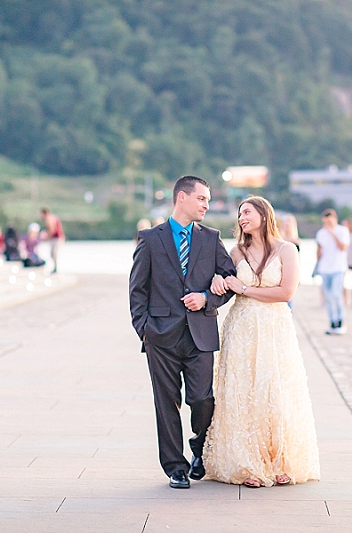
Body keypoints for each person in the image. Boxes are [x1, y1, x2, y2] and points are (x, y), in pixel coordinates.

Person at [204, 196, 321, 488]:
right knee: (243, 392)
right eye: (240, 214)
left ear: (263, 214)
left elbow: (285, 293)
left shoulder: (287, 250)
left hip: (274, 327)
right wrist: (218, 282)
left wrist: (245, 287)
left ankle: (281, 461)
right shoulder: (236, 252)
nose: (242, 218)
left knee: (275, 391)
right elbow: (220, 280)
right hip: (241, 327)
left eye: (247, 212)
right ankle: (248, 465)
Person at [128, 175, 236, 490]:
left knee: (203, 399)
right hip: (160, 335)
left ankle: (199, 449)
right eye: (202, 198)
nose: (207, 204)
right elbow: (137, 290)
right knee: (166, 401)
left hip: (200, 332)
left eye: (208, 199)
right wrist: (145, 331)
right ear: (182, 198)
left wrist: (208, 298)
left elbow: (229, 278)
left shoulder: (211, 237)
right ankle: (175, 467)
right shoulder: (149, 238)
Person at [315, 208, 349, 334]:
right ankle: (332, 322)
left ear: (334, 219)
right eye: (325, 221)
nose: (327, 224)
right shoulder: (321, 233)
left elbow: (343, 247)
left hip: (338, 268)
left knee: (336, 294)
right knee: (327, 298)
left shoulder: (342, 231)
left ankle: (341, 321)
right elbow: (319, 250)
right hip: (324, 268)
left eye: (329, 221)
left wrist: (332, 233)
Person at [40, 208, 64, 273]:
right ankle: (55, 267)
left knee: (53, 253)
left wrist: (46, 237)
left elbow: (52, 230)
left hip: (56, 238)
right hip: (57, 238)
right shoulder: (53, 217)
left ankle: (55, 268)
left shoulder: (49, 219)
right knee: (53, 254)